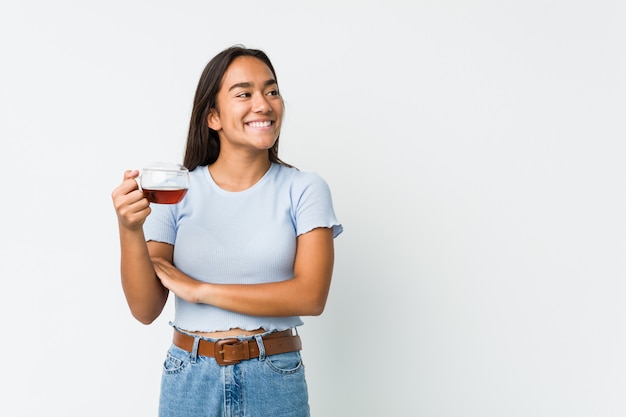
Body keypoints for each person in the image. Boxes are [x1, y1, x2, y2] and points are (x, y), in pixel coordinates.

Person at [111, 45, 343, 417]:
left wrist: (201, 291)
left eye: (271, 91)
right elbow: (145, 308)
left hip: (273, 375)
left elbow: (311, 296)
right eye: (244, 94)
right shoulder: (176, 190)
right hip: (189, 376)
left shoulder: (305, 189)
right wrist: (129, 229)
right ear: (213, 117)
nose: (263, 104)